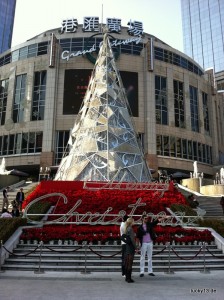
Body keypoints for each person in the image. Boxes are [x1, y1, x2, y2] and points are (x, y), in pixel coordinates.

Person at [123, 217, 137, 283]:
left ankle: (127, 277)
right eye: (133, 221)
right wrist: (136, 247)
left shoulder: (127, 228)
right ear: (131, 222)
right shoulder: (130, 229)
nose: (134, 222)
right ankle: (129, 278)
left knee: (127, 262)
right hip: (131, 247)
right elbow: (132, 239)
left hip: (127, 246)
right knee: (130, 263)